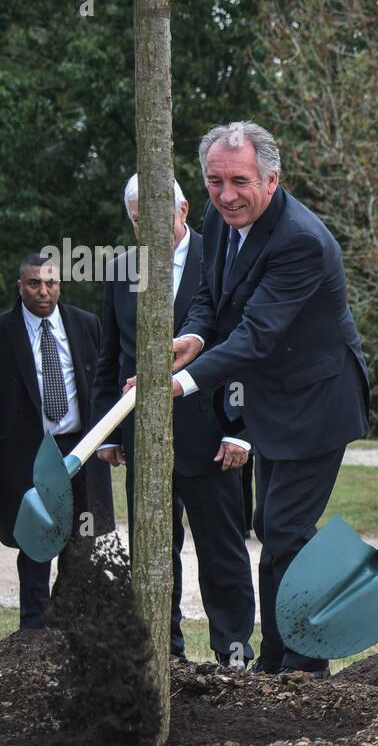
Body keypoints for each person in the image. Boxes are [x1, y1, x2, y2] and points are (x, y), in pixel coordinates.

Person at [158, 121, 371, 676]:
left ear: (272, 179)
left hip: (318, 401)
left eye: (240, 181)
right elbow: (210, 297)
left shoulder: (300, 239)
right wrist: (195, 337)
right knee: (274, 532)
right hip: (268, 399)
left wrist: (179, 383)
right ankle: (277, 658)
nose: (226, 195)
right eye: (214, 181)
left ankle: (304, 668)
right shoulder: (220, 217)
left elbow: (256, 334)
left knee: (285, 532)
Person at [94, 174, 256, 667]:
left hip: (211, 436)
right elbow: (111, 357)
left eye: (160, 216)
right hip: (143, 437)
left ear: (184, 210)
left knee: (221, 551)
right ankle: (163, 654)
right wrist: (109, 431)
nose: (150, 228)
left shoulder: (223, 259)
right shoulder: (121, 270)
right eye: (140, 220)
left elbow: (246, 348)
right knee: (153, 552)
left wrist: (239, 429)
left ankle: (232, 652)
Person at [0, 254, 115, 629]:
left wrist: (113, 437)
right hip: (27, 453)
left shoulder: (86, 324)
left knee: (84, 539)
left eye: (51, 283)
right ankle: (34, 629)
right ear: (20, 286)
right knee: (36, 541)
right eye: (34, 284)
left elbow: (103, 384)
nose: (43, 292)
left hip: (81, 448)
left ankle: (66, 620)